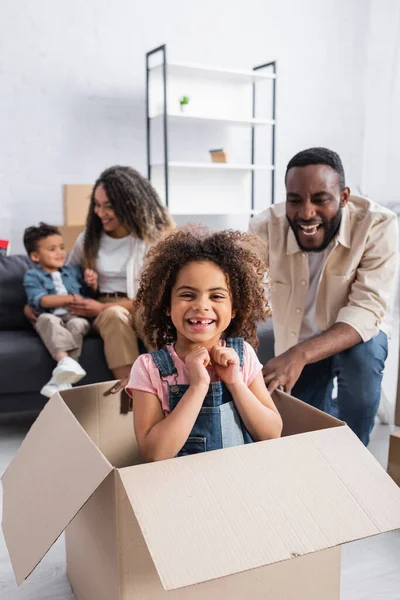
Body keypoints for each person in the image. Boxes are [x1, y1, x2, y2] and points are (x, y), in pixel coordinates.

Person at [249, 147, 398, 446]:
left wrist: (299, 356)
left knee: (361, 370)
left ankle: (355, 457)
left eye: (320, 199)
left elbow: (367, 309)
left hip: (357, 337)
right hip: (298, 338)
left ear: (343, 196)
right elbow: (242, 287)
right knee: (300, 428)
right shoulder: (264, 226)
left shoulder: (378, 224)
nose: (306, 213)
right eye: (295, 200)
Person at [125, 228, 282, 462]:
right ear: (167, 305)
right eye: (187, 295)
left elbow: (272, 434)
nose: (202, 306)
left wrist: (235, 382)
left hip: (242, 483)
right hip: (183, 489)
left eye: (216, 296)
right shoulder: (149, 368)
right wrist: (198, 386)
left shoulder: (243, 357)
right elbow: (154, 453)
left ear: (234, 308)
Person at [24, 166, 174, 391]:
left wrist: (102, 308)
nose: (99, 212)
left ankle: (173, 377)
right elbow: (64, 277)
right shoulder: (88, 238)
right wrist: (34, 301)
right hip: (101, 308)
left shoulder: (155, 239)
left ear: (130, 204)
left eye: (108, 206)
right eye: (97, 204)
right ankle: (131, 386)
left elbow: (160, 295)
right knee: (114, 314)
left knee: (149, 315)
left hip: (142, 304)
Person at [23, 223, 95, 398]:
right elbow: (43, 300)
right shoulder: (33, 276)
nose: (60, 252)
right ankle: (65, 361)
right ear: (35, 256)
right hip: (51, 316)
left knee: (78, 324)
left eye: (62, 247)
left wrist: (92, 283)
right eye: (52, 249)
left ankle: (63, 377)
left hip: (75, 315)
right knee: (46, 320)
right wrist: (73, 298)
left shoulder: (73, 271)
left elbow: (89, 295)